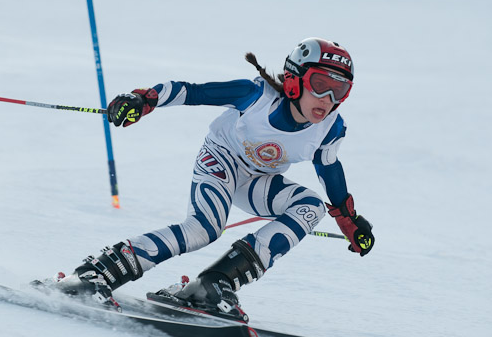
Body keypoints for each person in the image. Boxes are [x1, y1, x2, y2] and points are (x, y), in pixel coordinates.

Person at [51, 37, 375, 319]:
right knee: (203, 230)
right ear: (294, 80)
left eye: (340, 90)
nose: (328, 100)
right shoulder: (256, 96)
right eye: (321, 85)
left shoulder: (330, 128)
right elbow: (192, 92)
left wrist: (348, 220)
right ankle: (97, 272)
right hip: (222, 159)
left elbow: (329, 169)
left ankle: (212, 285)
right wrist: (144, 99)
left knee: (310, 206)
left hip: (257, 180)